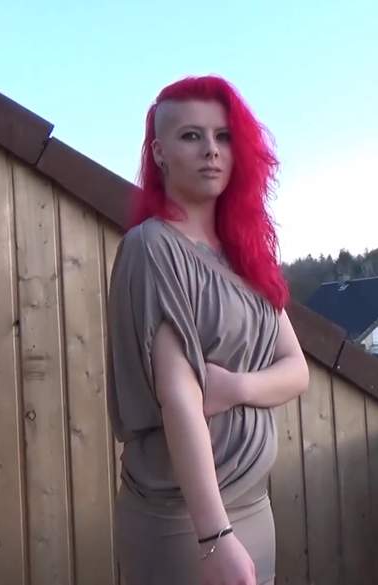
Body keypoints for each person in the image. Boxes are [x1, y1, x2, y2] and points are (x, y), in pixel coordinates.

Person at [105, 75, 310, 585]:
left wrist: (236, 386)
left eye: (223, 136)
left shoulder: (245, 255)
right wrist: (214, 537)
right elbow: (179, 398)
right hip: (187, 521)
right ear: (160, 152)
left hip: (254, 505)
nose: (211, 150)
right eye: (191, 136)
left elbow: (297, 370)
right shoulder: (152, 247)